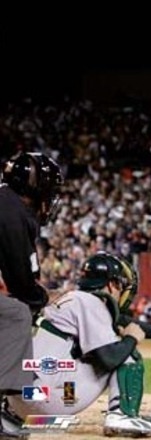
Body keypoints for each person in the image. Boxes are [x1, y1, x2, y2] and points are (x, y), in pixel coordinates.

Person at [4, 252, 151, 438]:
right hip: (48, 400)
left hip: (19, 399)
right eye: (122, 286)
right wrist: (131, 339)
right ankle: (122, 416)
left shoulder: (72, 299)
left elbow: (120, 323)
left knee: (78, 355)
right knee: (124, 351)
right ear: (112, 284)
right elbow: (109, 359)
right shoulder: (92, 303)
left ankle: (11, 420)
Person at [0, 152, 63, 439]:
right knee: (16, 313)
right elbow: (22, 283)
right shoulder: (13, 211)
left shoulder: (5, 202)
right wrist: (43, 297)